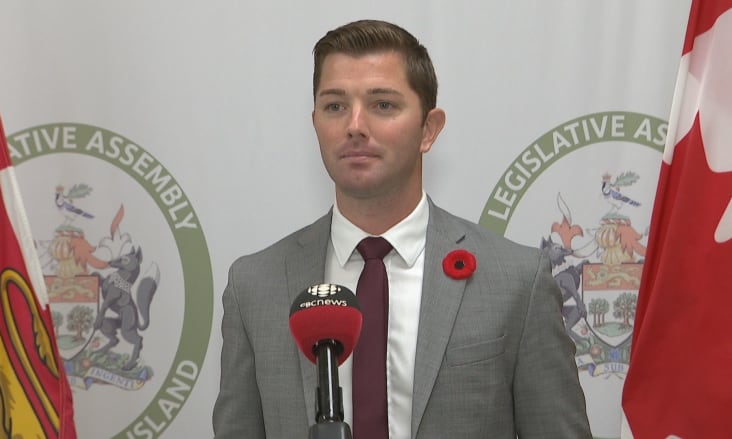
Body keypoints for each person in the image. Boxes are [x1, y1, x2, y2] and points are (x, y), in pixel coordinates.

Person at [212, 19, 592, 438]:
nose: (354, 125)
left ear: (428, 130)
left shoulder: (517, 281)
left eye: (383, 105)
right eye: (335, 106)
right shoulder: (255, 286)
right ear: (315, 122)